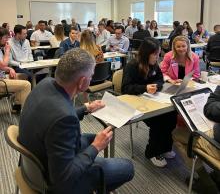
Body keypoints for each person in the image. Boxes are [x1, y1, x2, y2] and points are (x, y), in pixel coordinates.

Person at [18, 48, 134, 193]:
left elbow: (55, 113)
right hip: (54, 180)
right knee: (128, 167)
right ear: (82, 82)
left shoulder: (45, 83)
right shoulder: (64, 118)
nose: (92, 79)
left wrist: (85, 108)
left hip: (36, 161)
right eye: (91, 76)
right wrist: (96, 148)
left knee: (92, 138)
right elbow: (63, 179)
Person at [121, 37, 177, 167]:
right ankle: (152, 152)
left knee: (171, 115)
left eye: (158, 54)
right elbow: (125, 88)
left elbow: (160, 80)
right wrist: (144, 88)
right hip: (136, 102)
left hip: (152, 100)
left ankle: (165, 147)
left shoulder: (154, 64)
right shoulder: (132, 66)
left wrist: (155, 85)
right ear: (146, 53)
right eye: (155, 54)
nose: (158, 57)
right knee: (159, 120)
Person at [172, 86, 220, 193]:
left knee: (177, 134)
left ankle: (209, 185)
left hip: (217, 144)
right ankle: (217, 176)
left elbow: (209, 109)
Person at [0, 27, 31, 108]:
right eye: (5, 37)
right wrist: (7, 51)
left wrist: (10, 69)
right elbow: (4, 65)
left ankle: (17, 105)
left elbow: (2, 67)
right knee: (26, 85)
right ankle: (25, 111)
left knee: (24, 76)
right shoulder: (4, 47)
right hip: (1, 81)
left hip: (2, 76)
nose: (7, 40)